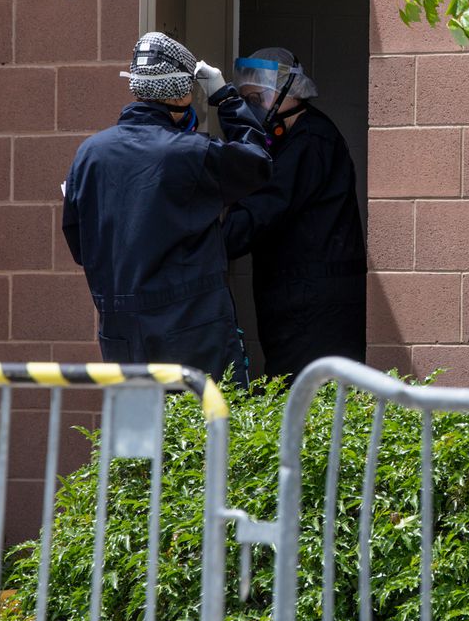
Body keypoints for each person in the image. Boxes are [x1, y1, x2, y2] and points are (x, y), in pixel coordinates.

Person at [62, 31, 271, 381]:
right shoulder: (190, 152)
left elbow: (79, 245)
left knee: (139, 429)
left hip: (120, 331)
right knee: (206, 429)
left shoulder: (89, 154)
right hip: (192, 327)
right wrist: (226, 97)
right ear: (181, 92)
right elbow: (258, 163)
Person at [223, 48, 367, 381]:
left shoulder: (310, 140)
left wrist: (210, 242)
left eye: (257, 97)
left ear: (288, 90)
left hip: (313, 305)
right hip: (298, 298)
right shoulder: (295, 139)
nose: (252, 107)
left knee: (306, 399)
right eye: (246, 99)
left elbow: (266, 206)